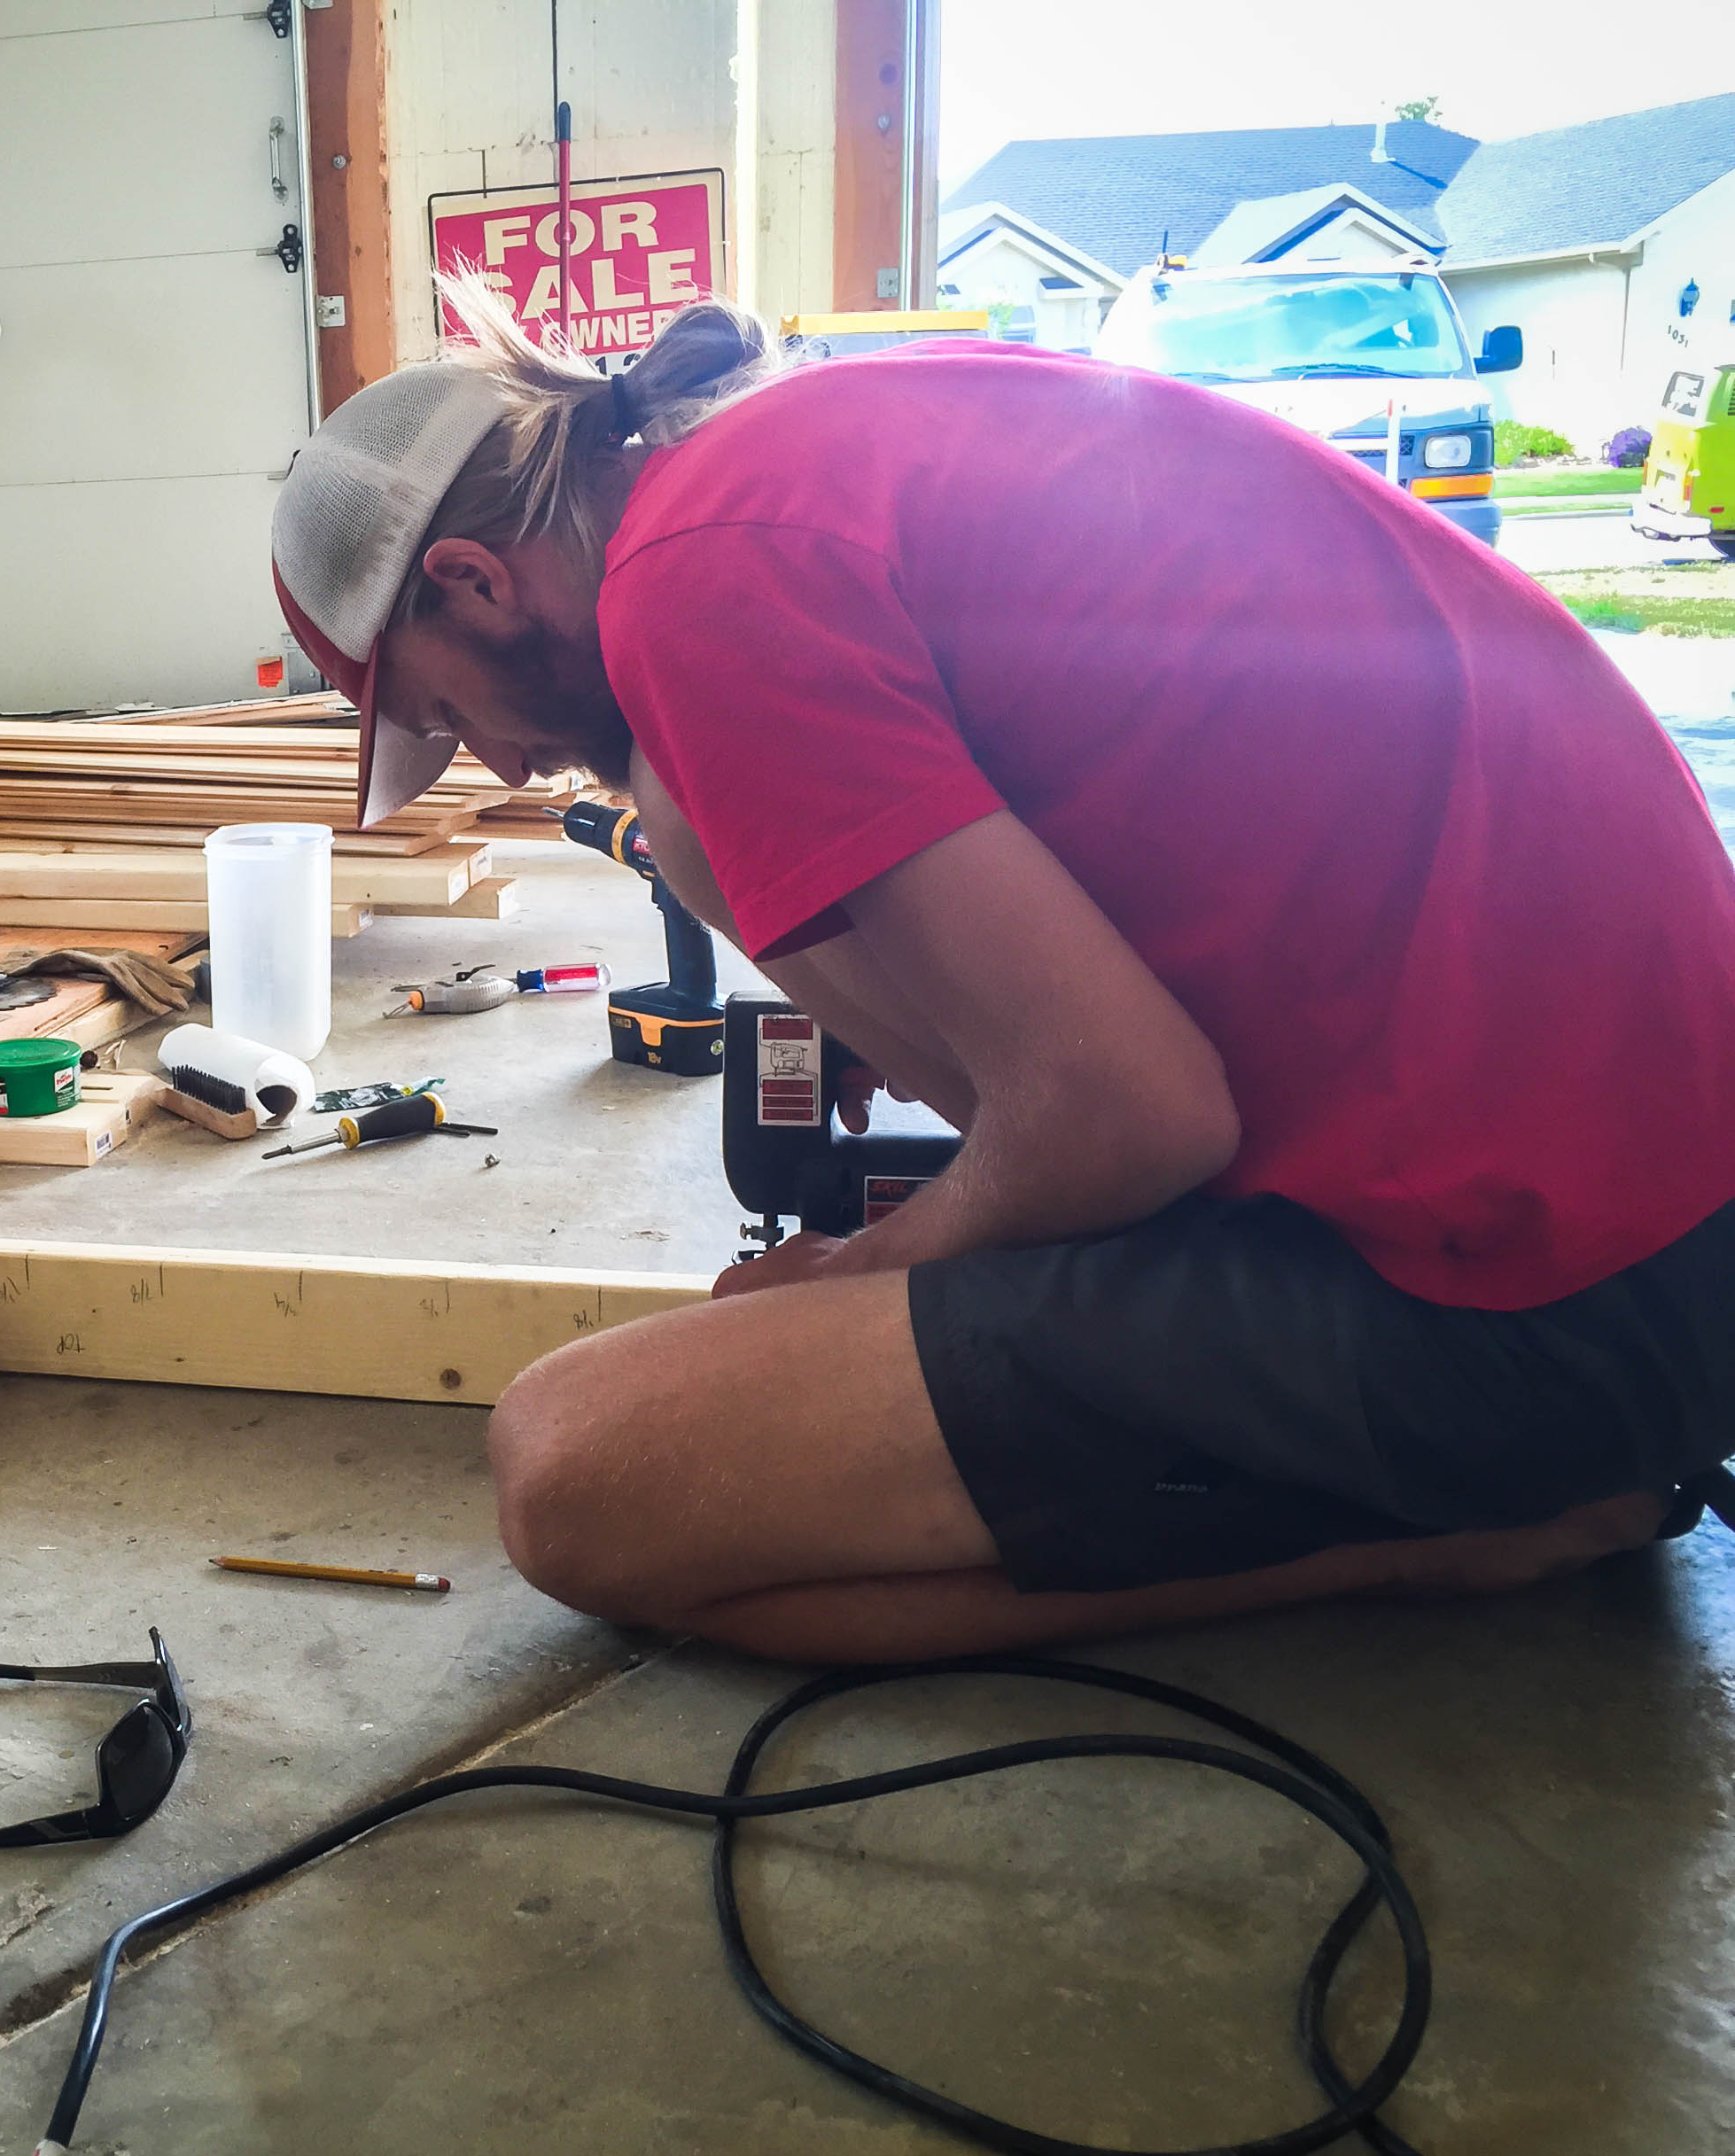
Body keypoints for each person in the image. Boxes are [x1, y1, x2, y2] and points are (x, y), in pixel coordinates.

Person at [268, 284, 1735, 1662]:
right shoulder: (795, 451)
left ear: (475, 580)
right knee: (685, 822)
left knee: (580, 1476)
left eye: (453, 715)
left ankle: (1448, 1538)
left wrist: (851, 1278)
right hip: (1639, 1199)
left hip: (1547, 1299)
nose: (507, 766)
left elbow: (1136, 1117)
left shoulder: (690, 579)